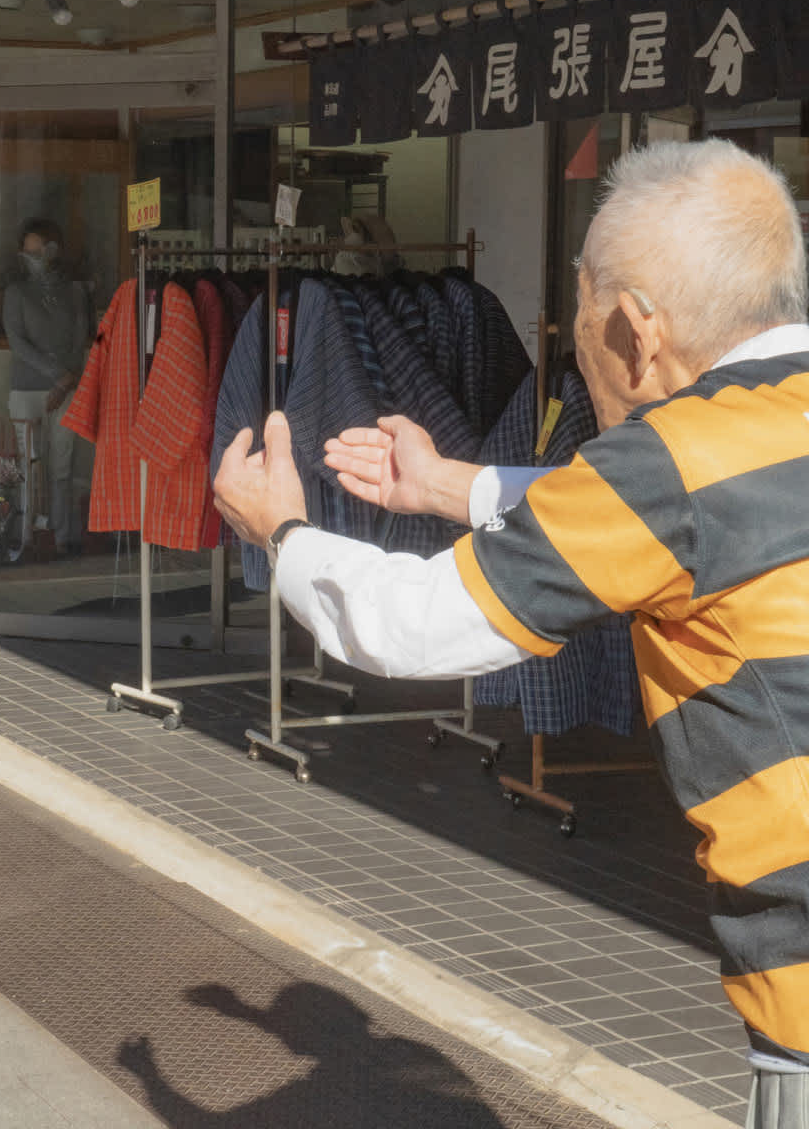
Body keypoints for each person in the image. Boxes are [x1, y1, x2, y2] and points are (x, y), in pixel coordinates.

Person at [213, 139, 809, 1126]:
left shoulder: (673, 461)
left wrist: (283, 533)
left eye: (579, 328)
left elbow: (412, 626)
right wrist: (446, 485)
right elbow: (649, 514)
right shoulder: (749, 439)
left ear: (637, 332)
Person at [1, 217, 91, 557]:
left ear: (54, 249)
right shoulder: (16, 292)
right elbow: (17, 342)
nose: (32, 257)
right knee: (28, 467)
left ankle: (62, 537)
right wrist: (59, 376)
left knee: (62, 467)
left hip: (66, 389)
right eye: (27, 251)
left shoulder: (75, 291)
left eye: (37, 250)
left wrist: (66, 381)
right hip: (27, 388)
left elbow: (80, 339)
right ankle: (25, 537)